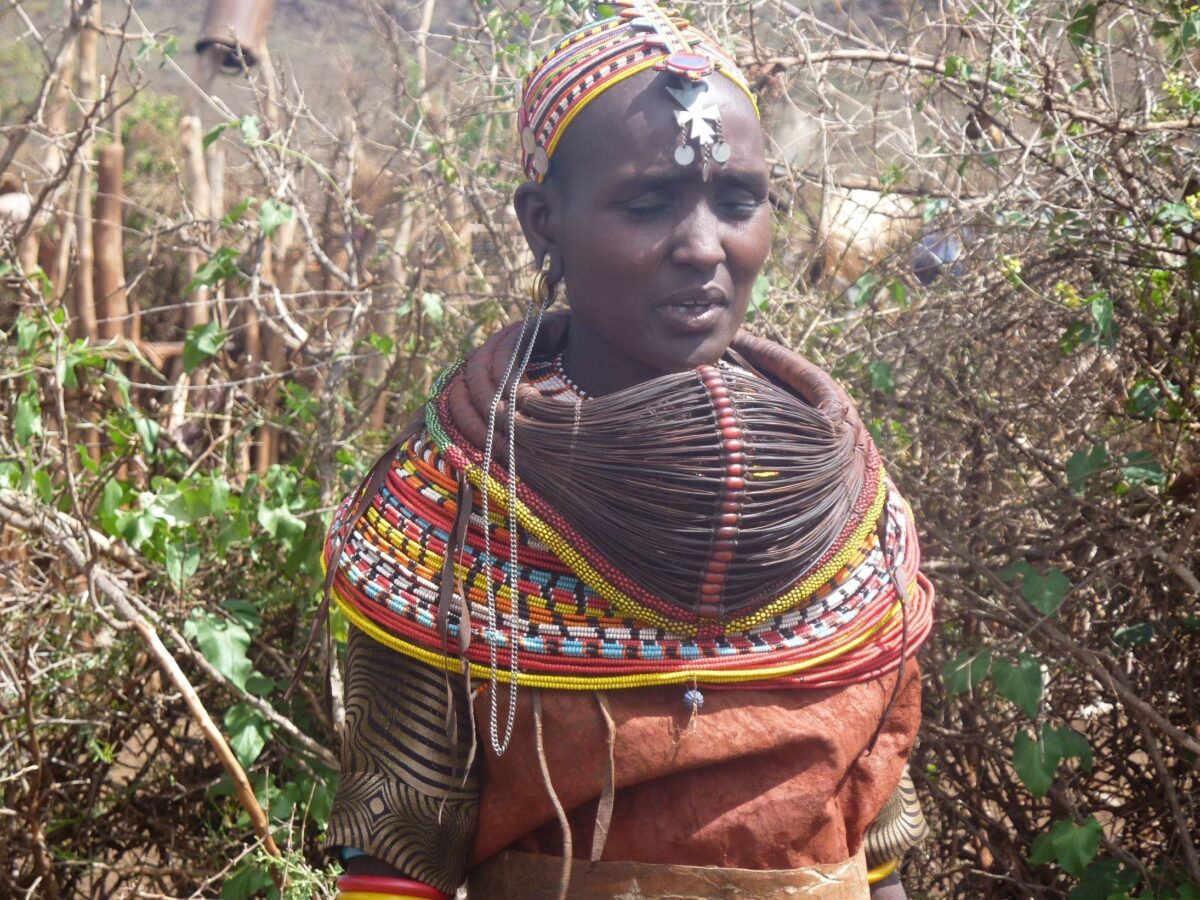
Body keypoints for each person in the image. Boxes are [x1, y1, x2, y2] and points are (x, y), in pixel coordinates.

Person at [313, 2, 935, 897]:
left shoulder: (847, 506)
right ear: (544, 223)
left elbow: (875, 833)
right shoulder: (453, 515)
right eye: (647, 204)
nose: (702, 248)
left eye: (738, 202)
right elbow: (395, 856)